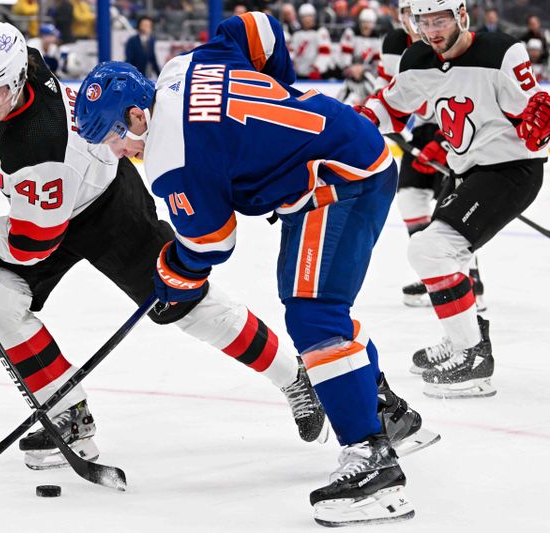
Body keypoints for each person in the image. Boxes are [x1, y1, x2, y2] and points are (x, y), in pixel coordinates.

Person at [0, 20, 330, 471]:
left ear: (16, 80)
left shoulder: (39, 144)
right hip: (46, 209)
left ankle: (295, 377)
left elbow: (31, 242)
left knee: (185, 304)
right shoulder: (15, 65)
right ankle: (70, 415)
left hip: (106, 207)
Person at [75, 11, 437, 527]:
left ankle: (373, 462)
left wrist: (172, 275)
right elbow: (257, 26)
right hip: (339, 155)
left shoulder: (170, 158)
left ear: (136, 116)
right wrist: (278, 91)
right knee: (312, 303)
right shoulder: (183, 66)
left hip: (338, 181)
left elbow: (211, 242)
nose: (120, 151)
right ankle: (384, 408)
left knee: (314, 314)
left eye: (115, 138)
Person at [356, 0, 547, 398]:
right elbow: (391, 105)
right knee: (446, 255)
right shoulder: (417, 58)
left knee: (431, 250)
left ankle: (471, 355)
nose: (431, 29)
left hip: (510, 170)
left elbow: (532, 114)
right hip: (467, 172)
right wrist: (354, 122)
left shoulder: (501, 51)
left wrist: (538, 125)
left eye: (439, 19)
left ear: (461, 15)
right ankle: (465, 337)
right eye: (422, 20)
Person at [374, 0, 485, 313]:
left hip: (457, 128)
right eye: (412, 15)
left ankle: (471, 281)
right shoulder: (398, 43)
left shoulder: (453, 40)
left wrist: (442, 139)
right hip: (423, 130)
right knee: (409, 197)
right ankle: (433, 276)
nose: (420, 23)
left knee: (453, 211)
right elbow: (391, 91)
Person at [288, 3, 333, 79]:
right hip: (299, 74)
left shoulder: (321, 32)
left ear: (314, 17)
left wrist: (317, 68)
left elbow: (325, 53)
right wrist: (291, 65)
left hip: (315, 74)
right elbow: (292, 52)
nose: (307, 19)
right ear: (300, 19)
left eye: (310, 16)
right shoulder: (296, 34)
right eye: (304, 17)